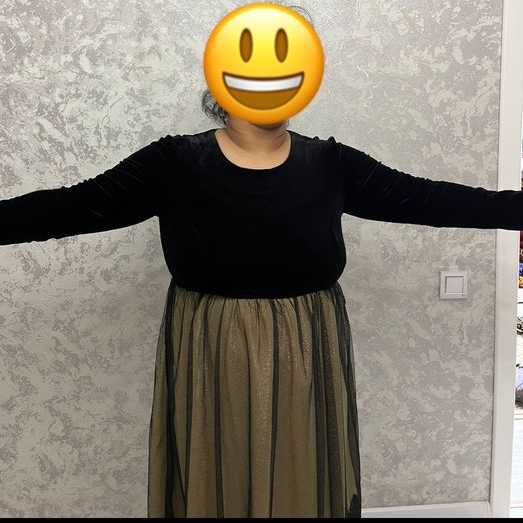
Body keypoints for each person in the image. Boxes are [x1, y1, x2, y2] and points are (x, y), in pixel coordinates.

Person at [3, 54, 523, 520]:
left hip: (307, 345)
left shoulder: (331, 164)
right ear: (221, 79)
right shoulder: (174, 163)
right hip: (211, 346)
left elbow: (430, 199)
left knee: (300, 475)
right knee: (217, 473)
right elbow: (71, 207)